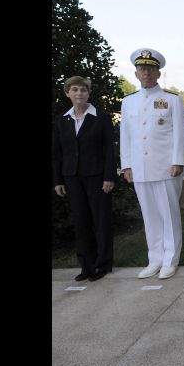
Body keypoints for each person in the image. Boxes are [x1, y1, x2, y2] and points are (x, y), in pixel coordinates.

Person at [120, 48, 184, 279]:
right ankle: (155, 259)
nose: (146, 72)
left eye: (150, 69)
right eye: (142, 69)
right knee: (149, 216)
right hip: (140, 168)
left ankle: (170, 259)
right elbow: (126, 136)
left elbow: (180, 133)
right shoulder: (128, 102)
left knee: (169, 215)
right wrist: (127, 165)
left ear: (158, 73)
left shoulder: (172, 99)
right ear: (136, 74)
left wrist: (178, 160)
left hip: (166, 167)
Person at [53, 76, 116, 282]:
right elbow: (57, 152)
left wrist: (109, 177)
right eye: (75, 90)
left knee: (100, 220)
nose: (79, 93)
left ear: (88, 93)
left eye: (83, 90)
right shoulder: (62, 119)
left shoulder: (101, 118)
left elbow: (109, 150)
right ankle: (86, 266)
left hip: (97, 177)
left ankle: (103, 264)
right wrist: (58, 180)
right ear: (67, 93)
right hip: (72, 177)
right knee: (81, 222)